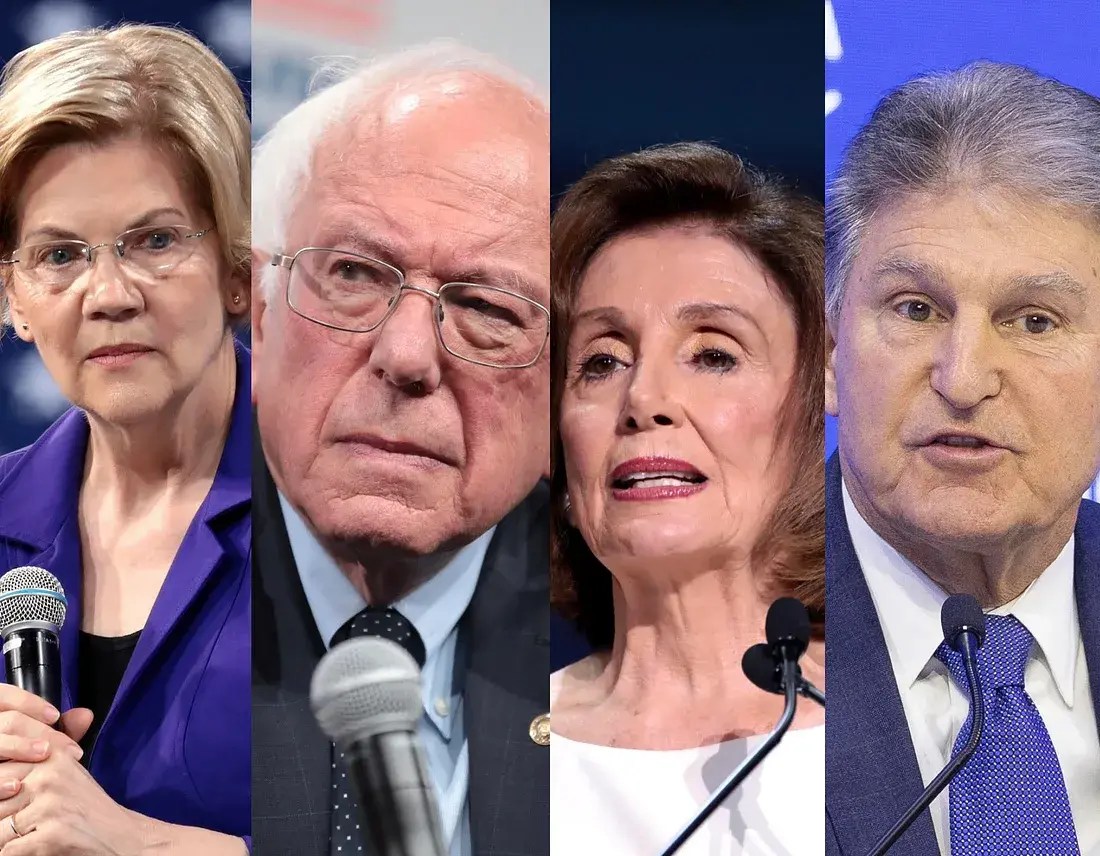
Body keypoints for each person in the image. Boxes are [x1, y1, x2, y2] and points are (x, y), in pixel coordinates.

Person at [250, 43, 550, 856]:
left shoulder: (624, 634)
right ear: (261, 316)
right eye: (354, 273)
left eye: (489, 307)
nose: (408, 355)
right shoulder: (140, 584)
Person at [825, 61, 1100, 856]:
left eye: (1035, 321)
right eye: (916, 309)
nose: (964, 378)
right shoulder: (725, 638)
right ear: (828, 349)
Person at [0, 24, 251, 854]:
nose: (108, 294)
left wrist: (143, 847)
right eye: (59, 254)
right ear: (14, 296)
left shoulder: (344, 519)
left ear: (237, 267)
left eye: (155, 241)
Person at [549, 142, 826, 855]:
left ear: (814, 414)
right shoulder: (481, 758)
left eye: (713, 355)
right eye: (602, 362)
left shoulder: (913, 723)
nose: (643, 398)